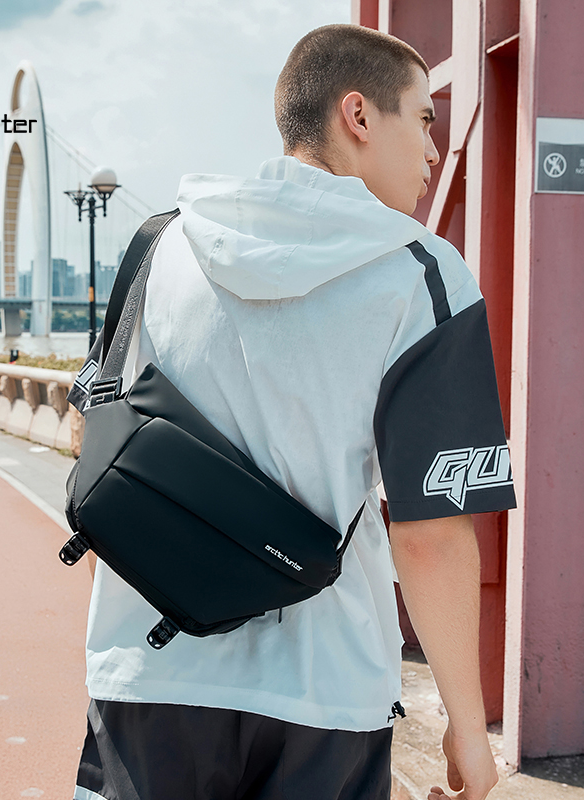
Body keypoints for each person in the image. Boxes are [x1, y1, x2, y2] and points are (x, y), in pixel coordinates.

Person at [68, 23, 516, 800]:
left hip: (149, 669)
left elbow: (91, 434)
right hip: (326, 688)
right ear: (359, 115)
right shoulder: (421, 277)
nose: (433, 150)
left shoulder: (160, 243)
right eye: (423, 119)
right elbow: (432, 533)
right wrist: (468, 730)